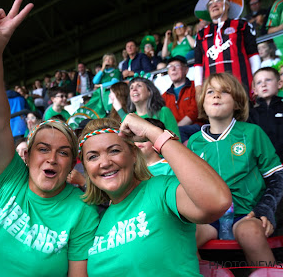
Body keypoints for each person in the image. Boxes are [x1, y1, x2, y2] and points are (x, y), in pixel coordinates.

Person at [0, 0, 99, 275]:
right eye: (43, 149)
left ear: (73, 164)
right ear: (27, 155)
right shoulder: (12, 182)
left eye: (64, 152)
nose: (53, 159)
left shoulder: (81, 212)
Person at [78, 115, 231, 276]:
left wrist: (154, 133)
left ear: (134, 155)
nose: (105, 162)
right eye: (93, 156)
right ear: (86, 169)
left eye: (114, 150)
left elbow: (217, 201)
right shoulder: (98, 221)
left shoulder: (160, 189)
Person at [188, 73, 283, 267]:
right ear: (202, 104)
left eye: (224, 92)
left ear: (237, 103)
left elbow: (277, 176)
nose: (216, 96)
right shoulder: (193, 142)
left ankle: (267, 271)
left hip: (246, 213)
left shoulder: (252, 133)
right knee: (180, 238)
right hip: (208, 219)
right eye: (210, 92)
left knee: (250, 233)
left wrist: (265, 209)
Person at [194, 0, 261, 98]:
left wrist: (258, 80)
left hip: (242, 87)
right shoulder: (201, 34)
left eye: (218, 1)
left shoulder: (242, 25)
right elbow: (198, 64)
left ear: (228, 5)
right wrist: (198, 88)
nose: (214, 5)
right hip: (213, 93)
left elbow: (253, 55)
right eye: (210, 4)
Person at [116, 77, 181, 140]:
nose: (134, 89)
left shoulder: (164, 111)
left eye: (139, 86)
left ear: (149, 92)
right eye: (131, 88)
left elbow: (176, 140)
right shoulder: (127, 118)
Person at [162, 56, 201, 143]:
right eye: (170, 66)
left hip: (197, 127)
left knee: (178, 132)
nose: (173, 68)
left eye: (177, 65)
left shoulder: (195, 87)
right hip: (175, 130)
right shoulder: (164, 96)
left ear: (186, 70)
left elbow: (194, 112)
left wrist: (174, 130)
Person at [248, 67, 283, 162]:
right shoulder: (250, 114)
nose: (263, 84)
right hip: (263, 165)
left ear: (279, 84)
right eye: (259, 82)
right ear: (254, 90)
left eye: (268, 80)